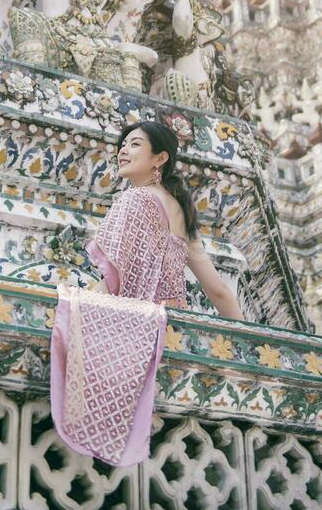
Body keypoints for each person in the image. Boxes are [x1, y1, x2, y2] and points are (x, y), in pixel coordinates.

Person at [50, 121, 244, 467]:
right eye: (122, 144)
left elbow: (110, 284)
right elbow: (217, 290)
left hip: (130, 336)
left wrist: (75, 310)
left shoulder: (134, 200)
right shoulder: (182, 212)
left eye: (135, 144)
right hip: (172, 335)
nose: (122, 150)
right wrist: (249, 345)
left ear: (160, 158)